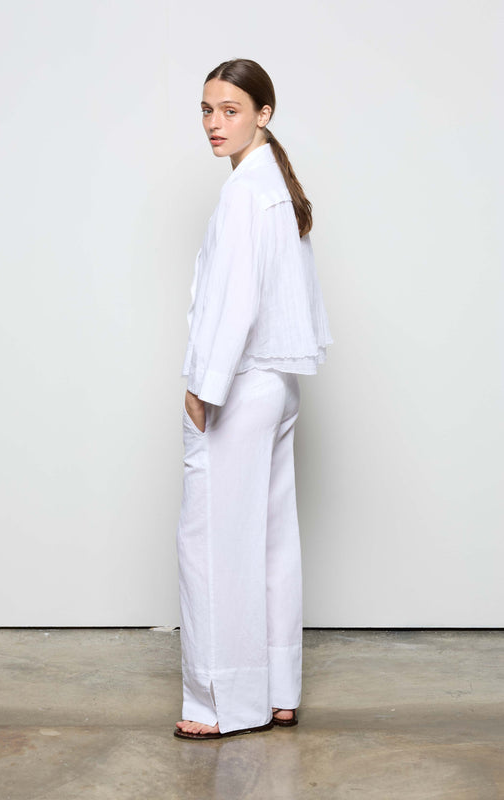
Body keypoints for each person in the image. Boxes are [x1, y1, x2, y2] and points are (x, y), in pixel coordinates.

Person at [174, 58, 333, 740]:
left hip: (239, 383)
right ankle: (277, 690)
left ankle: (220, 703)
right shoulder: (271, 183)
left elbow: (236, 299)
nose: (214, 123)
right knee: (270, 539)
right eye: (206, 110)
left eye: (230, 109)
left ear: (263, 114)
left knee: (213, 544)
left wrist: (203, 387)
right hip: (277, 382)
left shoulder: (246, 191)